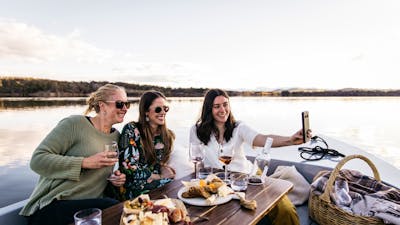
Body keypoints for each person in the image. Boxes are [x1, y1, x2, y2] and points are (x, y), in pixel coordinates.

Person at [189, 89, 311, 225]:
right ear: (208, 110)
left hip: (248, 176)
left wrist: (290, 140)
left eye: (225, 104)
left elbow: (262, 138)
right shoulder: (196, 131)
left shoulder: (238, 127)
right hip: (217, 183)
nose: (223, 110)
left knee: (286, 210)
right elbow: (197, 159)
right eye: (217, 106)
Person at [20, 84, 128, 225]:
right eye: (120, 104)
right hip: (53, 206)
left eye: (127, 104)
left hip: (89, 208)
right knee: (115, 209)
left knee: (121, 208)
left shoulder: (116, 137)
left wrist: (114, 180)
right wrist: (84, 162)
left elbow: (97, 178)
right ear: (102, 106)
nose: (125, 109)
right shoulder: (74, 124)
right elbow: (37, 160)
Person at [111, 90, 176, 201]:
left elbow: (158, 163)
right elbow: (129, 169)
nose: (163, 112)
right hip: (134, 186)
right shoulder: (131, 130)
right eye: (158, 109)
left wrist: (163, 167)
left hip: (157, 183)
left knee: (178, 188)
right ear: (146, 111)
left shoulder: (167, 135)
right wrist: (160, 177)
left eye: (165, 109)